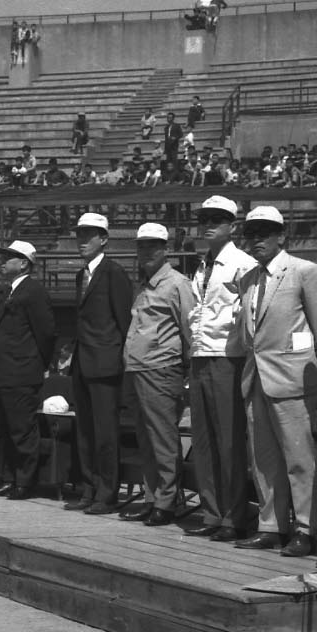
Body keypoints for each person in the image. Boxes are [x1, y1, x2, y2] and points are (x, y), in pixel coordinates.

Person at [234, 206, 317, 556]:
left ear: (281, 236)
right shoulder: (247, 279)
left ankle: (307, 528)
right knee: (263, 458)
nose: (257, 239)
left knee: (298, 457)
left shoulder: (305, 271)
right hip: (256, 376)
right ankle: (271, 525)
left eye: (265, 232)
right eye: (252, 232)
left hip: (292, 376)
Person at [182, 196, 258, 541]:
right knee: (204, 439)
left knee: (229, 440)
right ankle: (212, 511)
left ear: (232, 226)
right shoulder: (202, 265)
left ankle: (234, 515)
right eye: (204, 218)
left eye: (217, 219)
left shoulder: (241, 263)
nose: (208, 224)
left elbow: (246, 310)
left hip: (227, 355)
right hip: (200, 355)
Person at [121, 222, 196, 525]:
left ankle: (166, 502)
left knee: (163, 438)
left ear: (165, 249)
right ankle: (153, 497)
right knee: (146, 438)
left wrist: (189, 370)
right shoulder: (144, 283)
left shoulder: (177, 283)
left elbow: (190, 328)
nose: (146, 251)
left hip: (162, 369)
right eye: (142, 246)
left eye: (153, 246)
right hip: (138, 369)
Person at [66, 213, 132, 516]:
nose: (82, 241)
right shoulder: (82, 275)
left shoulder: (113, 273)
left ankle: (107, 494)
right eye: (79, 235)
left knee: (105, 434)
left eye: (89, 235)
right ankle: (90, 488)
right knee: (86, 432)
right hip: (83, 362)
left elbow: (123, 321)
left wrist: (116, 359)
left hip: (105, 364)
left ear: (103, 239)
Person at [0, 240, 56, 500]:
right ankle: (10, 477)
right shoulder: (9, 291)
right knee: (6, 427)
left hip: (21, 372)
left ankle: (25, 481)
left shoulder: (33, 291)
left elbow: (46, 333)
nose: (1, 262)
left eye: (8, 257)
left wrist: (35, 364)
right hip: (3, 371)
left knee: (21, 428)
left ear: (24, 262)